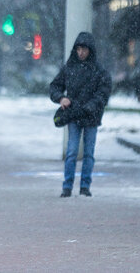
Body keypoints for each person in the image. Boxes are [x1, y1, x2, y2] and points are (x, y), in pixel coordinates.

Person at [49, 31, 111, 198]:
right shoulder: (70, 67)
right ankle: (67, 187)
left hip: (91, 116)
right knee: (72, 152)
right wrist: (61, 98)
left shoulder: (99, 70)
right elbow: (54, 86)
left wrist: (91, 106)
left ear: (90, 50)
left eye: (84, 49)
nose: (81, 52)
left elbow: (104, 92)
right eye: (79, 49)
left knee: (88, 154)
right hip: (74, 115)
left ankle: (85, 186)